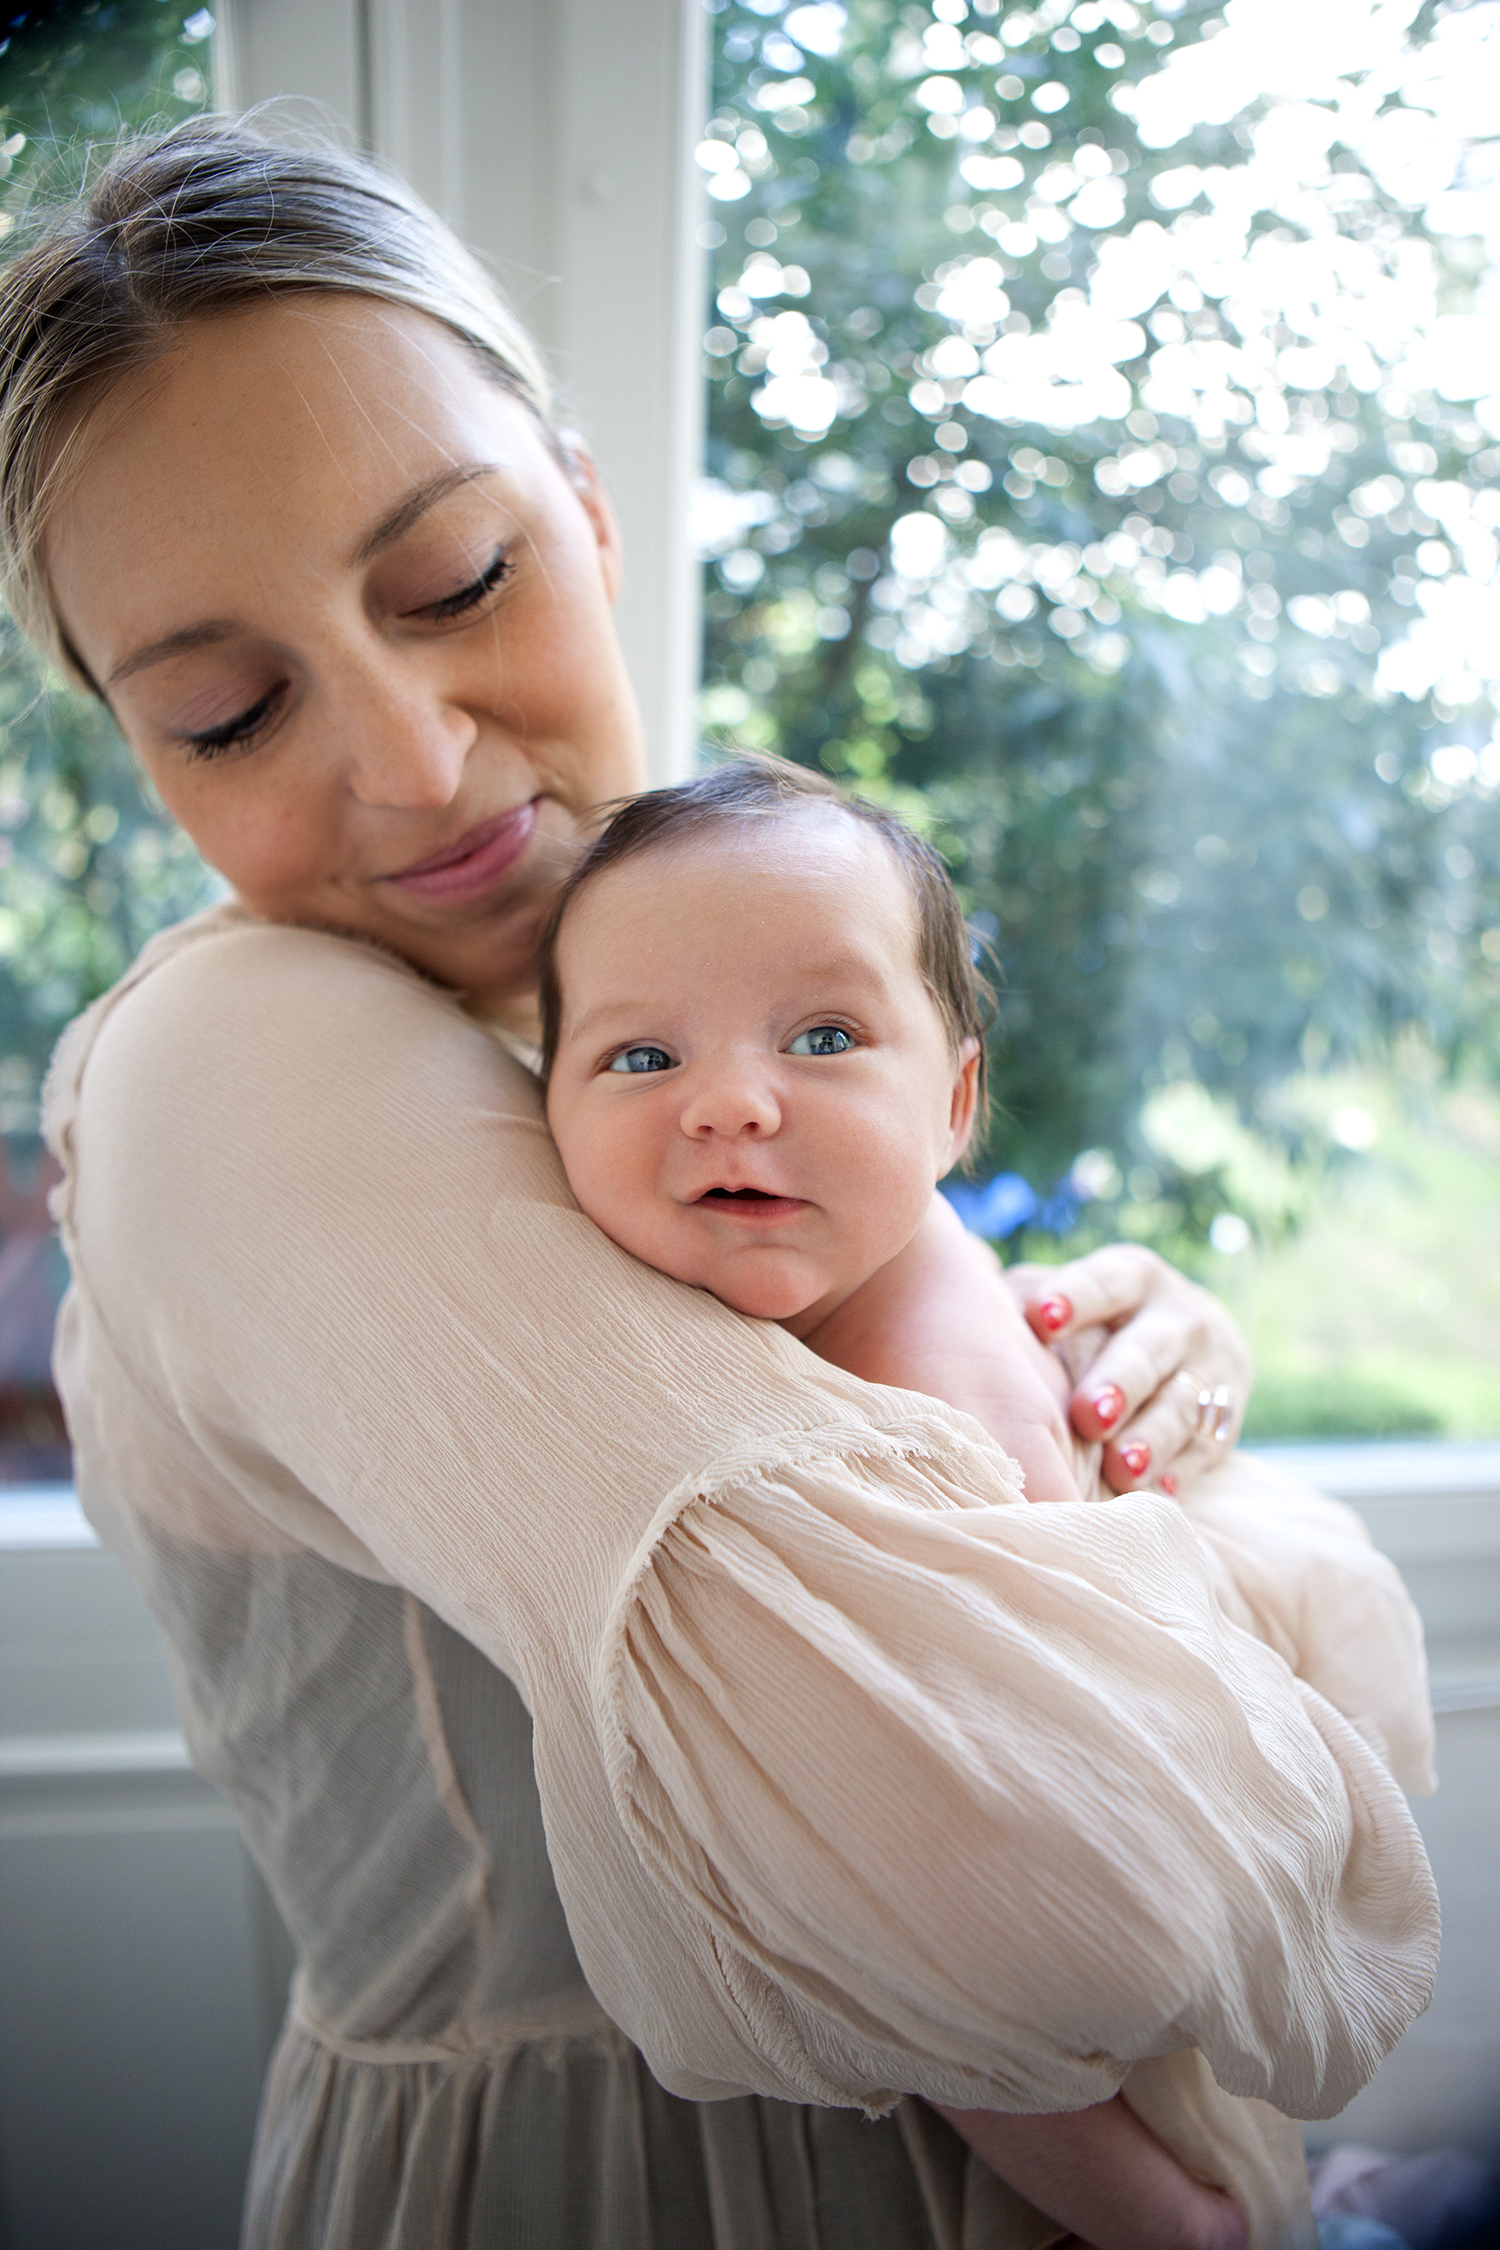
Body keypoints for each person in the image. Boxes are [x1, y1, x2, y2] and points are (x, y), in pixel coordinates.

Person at [4, 117, 1439, 2250]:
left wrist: (1111, 1374)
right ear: (134, 745)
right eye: (227, 710)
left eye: (458, 583)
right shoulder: (238, 1057)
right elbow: (1061, 1837)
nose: (409, 762)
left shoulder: (655, 974)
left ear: (589, 510)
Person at [538, 754, 1437, 2250]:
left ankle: (1190, 2224)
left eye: (825, 1037)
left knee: (930, 1973)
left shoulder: (936, 1373)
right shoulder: (824, 1277)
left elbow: (1001, 1836)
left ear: (954, 1103)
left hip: (1056, 1902)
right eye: (640, 1056)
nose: (732, 1102)